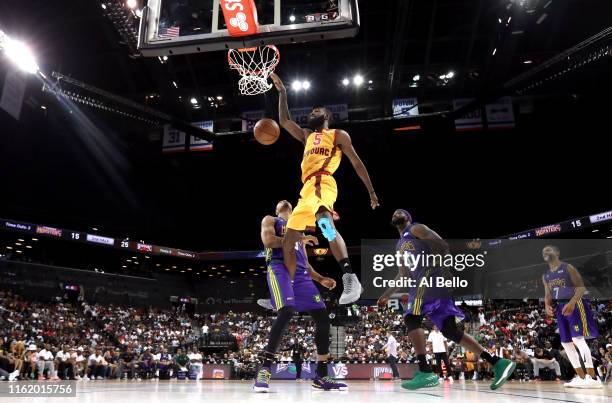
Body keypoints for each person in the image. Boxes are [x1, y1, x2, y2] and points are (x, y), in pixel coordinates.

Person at [270, 73, 379, 305]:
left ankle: (350, 277)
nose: (312, 114)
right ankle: (287, 293)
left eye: (316, 111)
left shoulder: (338, 135)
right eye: (310, 112)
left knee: (325, 225)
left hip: (324, 182)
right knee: (289, 239)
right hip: (306, 190)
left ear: (326, 116)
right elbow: (284, 121)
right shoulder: (307, 135)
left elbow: (357, 163)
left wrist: (370, 191)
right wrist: (283, 93)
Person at [377, 209, 515, 390]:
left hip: (429, 278)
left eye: (401, 212)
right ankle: (497, 362)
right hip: (431, 284)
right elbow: (402, 274)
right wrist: (386, 295)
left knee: (411, 317)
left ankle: (425, 372)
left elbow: (441, 245)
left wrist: (444, 269)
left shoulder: (416, 229)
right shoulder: (399, 245)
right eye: (394, 212)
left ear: (408, 218)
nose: (396, 212)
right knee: (450, 331)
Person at [253, 200, 347, 392]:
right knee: (286, 311)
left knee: (322, 318)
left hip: (303, 275)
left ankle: (321, 376)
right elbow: (269, 241)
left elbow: (305, 262)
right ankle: (264, 371)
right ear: (277, 209)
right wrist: (296, 239)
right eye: (280, 202)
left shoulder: (299, 230)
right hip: (280, 268)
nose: (284, 202)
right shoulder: (271, 220)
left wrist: (320, 279)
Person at [541, 245, 602, 388]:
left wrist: (572, 302)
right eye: (544, 251)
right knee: (566, 343)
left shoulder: (568, 268)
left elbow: (581, 288)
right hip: (560, 307)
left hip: (575, 304)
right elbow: (548, 295)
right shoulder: (546, 275)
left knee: (577, 339)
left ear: (557, 253)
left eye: (549, 250)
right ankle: (581, 377)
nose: (546, 252)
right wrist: (546, 306)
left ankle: (593, 378)